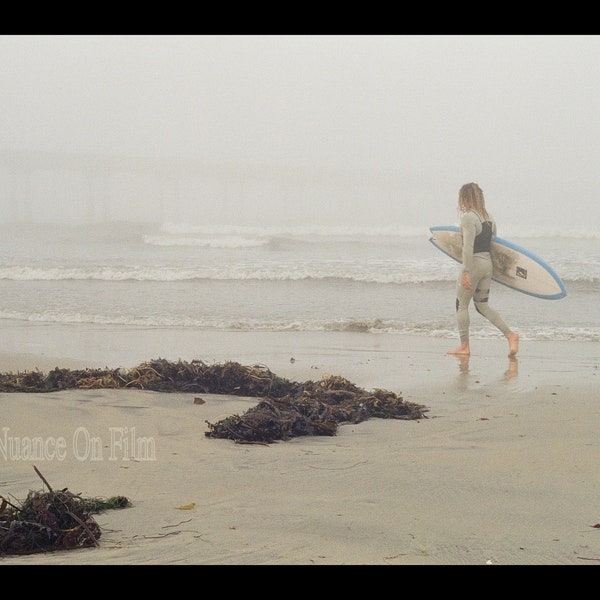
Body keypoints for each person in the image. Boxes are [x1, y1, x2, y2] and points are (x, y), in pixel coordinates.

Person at [447, 182, 519, 357]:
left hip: (474, 264)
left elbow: (467, 248)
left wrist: (466, 272)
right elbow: (495, 243)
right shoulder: (489, 218)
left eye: (462, 198)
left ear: (465, 197)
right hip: (488, 265)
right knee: (482, 305)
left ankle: (464, 347)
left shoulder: (468, 218)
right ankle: (510, 335)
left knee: (461, 305)